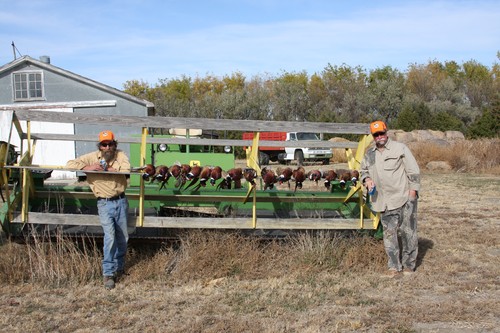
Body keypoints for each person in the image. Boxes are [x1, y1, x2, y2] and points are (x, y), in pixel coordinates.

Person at [66, 130, 131, 290]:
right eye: (104, 144)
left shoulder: (120, 155)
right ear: (100, 146)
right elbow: (69, 164)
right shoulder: (92, 157)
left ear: (115, 144)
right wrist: (89, 167)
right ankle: (108, 273)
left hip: (121, 201)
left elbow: (126, 169)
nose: (107, 147)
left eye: (110, 144)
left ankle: (120, 268)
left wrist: (108, 170)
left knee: (123, 238)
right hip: (104, 203)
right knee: (110, 238)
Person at [360, 121, 420, 278]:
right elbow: (363, 171)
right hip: (383, 201)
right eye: (376, 135)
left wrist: (412, 193)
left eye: (381, 133)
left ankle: (409, 265)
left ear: (386, 133)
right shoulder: (369, 154)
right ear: (373, 137)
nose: (380, 137)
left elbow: (413, 170)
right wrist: (367, 180)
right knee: (389, 234)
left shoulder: (400, 149)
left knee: (408, 233)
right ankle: (393, 267)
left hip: (403, 197)